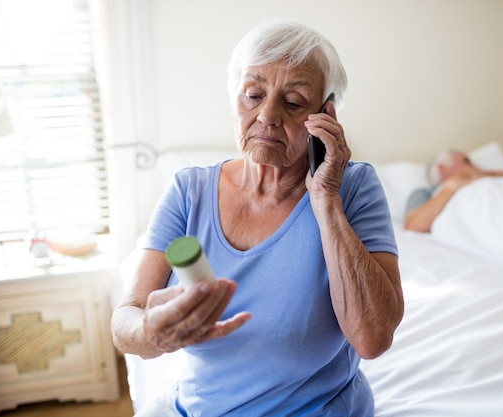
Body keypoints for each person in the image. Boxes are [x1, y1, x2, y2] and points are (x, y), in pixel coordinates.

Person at [111, 21, 404, 417]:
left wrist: (325, 200)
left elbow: (372, 339)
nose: (267, 115)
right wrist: (152, 331)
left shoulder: (353, 189)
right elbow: (126, 321)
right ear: (235, 97)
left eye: (294, 102)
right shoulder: (188, 191)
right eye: (253, 94)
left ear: (326, 114)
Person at [404, 149, 503, 233]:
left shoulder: (491, 177)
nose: (476, 166)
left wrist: (493, 175)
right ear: (442, 169)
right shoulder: (423, 193)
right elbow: (413, 225)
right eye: (467, 162)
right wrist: (452, 186)